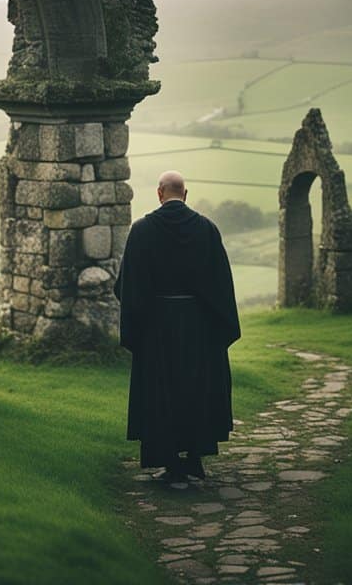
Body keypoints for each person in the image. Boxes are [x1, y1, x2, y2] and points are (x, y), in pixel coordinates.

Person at [114, 170, 241, 483]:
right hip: (198, 327)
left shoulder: (142, 230)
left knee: (162, 393)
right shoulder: (207, 230)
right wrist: (213, 322)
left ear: (159, 193)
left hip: (157, 329)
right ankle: (195, 457)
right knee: (196, 390)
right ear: (185, 194)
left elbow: (127, 286)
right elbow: (222, 283)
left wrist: (141, 322)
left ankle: (170, 462)